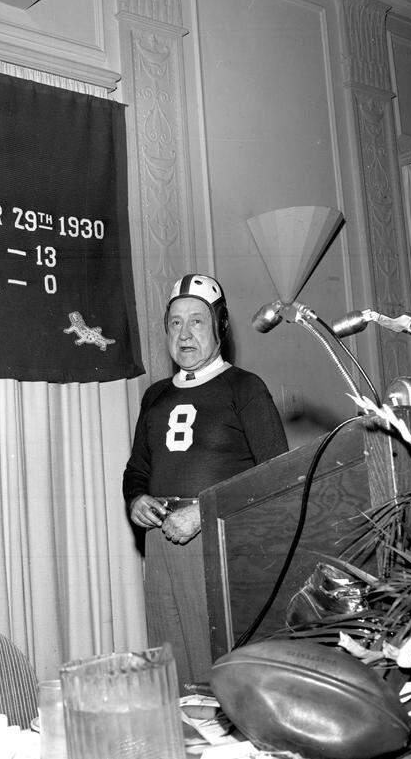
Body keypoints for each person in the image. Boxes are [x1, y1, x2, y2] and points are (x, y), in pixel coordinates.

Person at [122, 273, 288, 688]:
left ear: (220, 326)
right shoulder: (155, 396)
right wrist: (137, 498)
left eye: (197, 321)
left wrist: (204, 512)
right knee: (171, 667)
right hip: (162, 545)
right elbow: (136, 469)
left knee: (223, 666)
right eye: (175, 323)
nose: (184, 333)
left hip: (220, 543)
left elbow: (277, 476)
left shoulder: (245, 388)